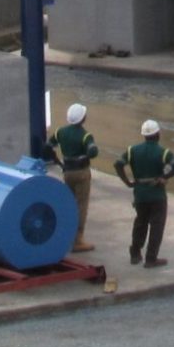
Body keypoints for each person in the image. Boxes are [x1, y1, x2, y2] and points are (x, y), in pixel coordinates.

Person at [115, 118, 174, 267]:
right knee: (156, 226)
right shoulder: (163, 152)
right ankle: (151, 258)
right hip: (157, 195)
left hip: (140, 194)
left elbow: (118, 164)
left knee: (140, 223)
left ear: (144, 135)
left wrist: (127, 182)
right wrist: (165, 177)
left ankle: (135, 254)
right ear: (158, 134)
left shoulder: (132, 151)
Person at [43, 102, 100, 252]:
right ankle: (78, 240)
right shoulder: (85, 135)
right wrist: (87, 154)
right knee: (81, 206)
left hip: (67, 172)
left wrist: (56, 160)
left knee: (68, 203)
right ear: (83, 118)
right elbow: (93, 152)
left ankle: (65, 235)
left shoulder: (60, 132)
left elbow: (47, 146)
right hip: (81, 173)